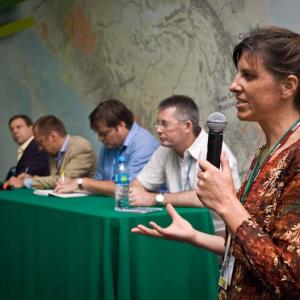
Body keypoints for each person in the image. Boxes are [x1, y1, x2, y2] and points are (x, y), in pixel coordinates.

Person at [132, 26, 300, 299]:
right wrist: (193, 236)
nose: (234, 85)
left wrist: (225, 201)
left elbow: (290, 279)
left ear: (288, 86)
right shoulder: (267, 151)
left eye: (248, 75)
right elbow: (254, 250)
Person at [129, 95, 240, 236]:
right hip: (179, 231)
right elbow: (137, 186)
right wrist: (138, 194)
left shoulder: (214, 150)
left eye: (165, 124)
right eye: (157, 123)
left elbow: (207, 197)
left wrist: (155, 198)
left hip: (217, 234)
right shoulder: (164, 150)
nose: (158, 129)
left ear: (187, 126)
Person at [54, 99, 159, 195]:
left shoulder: (144, 145)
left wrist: (83, 182)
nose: (100, 139)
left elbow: (127, 187)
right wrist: (72, 185)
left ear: (121, 126)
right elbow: (98, 182)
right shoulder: (110, 144)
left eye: (103, 134)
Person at [7, 115, 97, 189]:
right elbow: (53, 179)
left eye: (41, 142)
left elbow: (64, 180)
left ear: (53, 136)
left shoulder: (80, 148)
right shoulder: (54, 152)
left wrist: (26, 182)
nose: (40, 148)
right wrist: (32, 178)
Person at [4, 114, 49, 180]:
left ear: (31, 128)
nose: (15, 131)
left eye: (19, 127)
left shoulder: (38, 146)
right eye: (12, 129)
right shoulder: (27, 148)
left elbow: (25, 176)